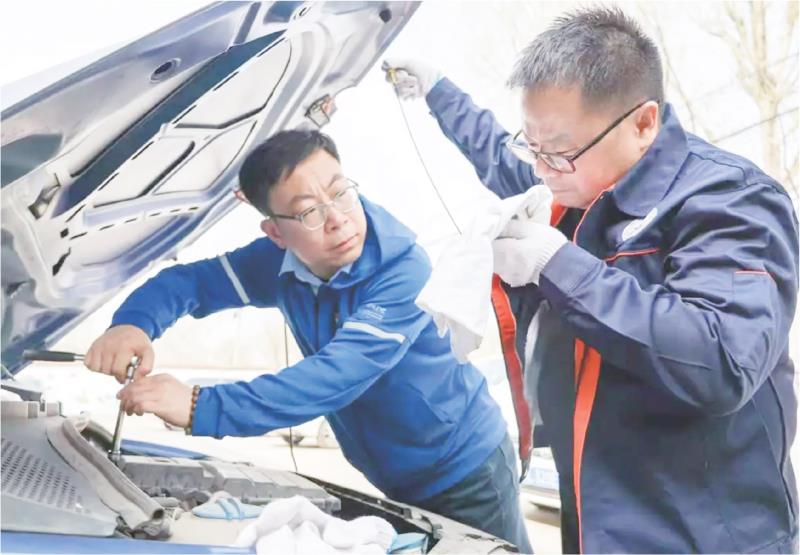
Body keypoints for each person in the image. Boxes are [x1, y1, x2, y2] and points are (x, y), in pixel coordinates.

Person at [386, 7, 798, 554]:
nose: (541, 170)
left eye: (557, 152)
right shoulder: (576, 184)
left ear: (643, 123)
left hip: (702, 535)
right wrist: (438, 91)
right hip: (597, 521)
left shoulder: (729, 200)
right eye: (532, 147)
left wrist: (557, 265)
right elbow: (497, 153)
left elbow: (723, 360)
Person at [83, 129, 533, 553]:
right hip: (396, 473)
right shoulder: (276, 262)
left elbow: (337, 375)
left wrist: (201, 405)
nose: (337, 219)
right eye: (307, 211)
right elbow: (192, 283)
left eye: (341, 192)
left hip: (466, 470)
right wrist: (133, 324)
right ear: (276, 233)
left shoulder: (403, 270)